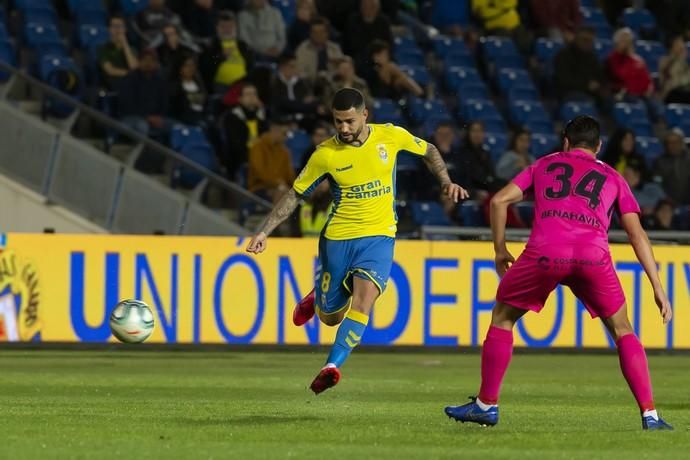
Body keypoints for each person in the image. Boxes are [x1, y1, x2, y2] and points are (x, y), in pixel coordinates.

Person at [443, 115, 673, 431]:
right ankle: (650, 416)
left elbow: (499, 201)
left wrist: (500, 248)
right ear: (599, 146)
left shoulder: (545, 164)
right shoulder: (613, 177)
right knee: (623, 330)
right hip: (593, 256)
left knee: (503, 319)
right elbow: (637, 235)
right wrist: (657, 286)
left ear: (565, 141)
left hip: (546, 251)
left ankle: (486, 405)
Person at [245, 88, 469, 394]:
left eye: (350, 121)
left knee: (364, 299)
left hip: (379, 237)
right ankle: (315, 297)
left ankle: (332, 365)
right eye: (339, 122)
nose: (344, 128)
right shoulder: (325, 154)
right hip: (338, 239)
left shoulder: (390, 136)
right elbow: (296, 194)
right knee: (330, 317)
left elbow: (429, 150)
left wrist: (446, 181)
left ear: (365, 115)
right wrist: (264, 231)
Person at [198, 10, 252, 93]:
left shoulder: (242, 45)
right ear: (217, 28)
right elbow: (206, 67)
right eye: (223, 26)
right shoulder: (211, 45)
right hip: (222, 86)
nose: (227, 29)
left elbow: (250, 65)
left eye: (230, 26)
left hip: (243, 85)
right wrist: (221, 56)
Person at [220, 83, 267, 177]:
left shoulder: (262, 116)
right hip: (241, 160)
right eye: (248, 94)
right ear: (240, 99)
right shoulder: (232, 117)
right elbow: (235, 145)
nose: (252, 97)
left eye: (254, 94)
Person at [553, 28, 607, 103]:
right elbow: (564, 80)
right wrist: (586, 85)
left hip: (590, 92)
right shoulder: (564, 55)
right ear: (577, 39)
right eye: (585, 40)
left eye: (590, 41)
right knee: (585, 100)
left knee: (609, 99)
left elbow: (600, 77)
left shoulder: (592, 57)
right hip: (569, 92)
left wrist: (599, 86)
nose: (588, 43)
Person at [247, 118, 295, 202]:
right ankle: (274, 215)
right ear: (274, 130)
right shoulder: (258, 147)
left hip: (281, 187)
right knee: (281, 193)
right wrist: (277, 183)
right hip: (260, 187)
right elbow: (260, 173)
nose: (286, 137)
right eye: (284, 133)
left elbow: (289, 175)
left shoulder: (285, 152)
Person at [295, 17, 343, 84]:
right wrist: (316, 77)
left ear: (327, 33)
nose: (318, 35)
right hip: (309, 85)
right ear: (310, 33)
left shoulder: (334, 48)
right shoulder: (303, 49)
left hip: (332, 85)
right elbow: (299, 72)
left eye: (321, 32)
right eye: (315, 32)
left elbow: (341, 70)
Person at [97, 15, 138, 90]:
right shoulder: (103, 48)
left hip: (131, 81)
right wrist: (129, 74)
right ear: (109, 29)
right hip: (114, 81)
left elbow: (134, 67)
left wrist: (125, 44)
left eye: (120, 26)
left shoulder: (131, 49)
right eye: (114, 26)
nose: (117, 29)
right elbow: (110, 70)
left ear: (125, 29)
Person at [653, 130, 690, 205]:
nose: (672, 145)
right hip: (667, 202)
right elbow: (657, 183)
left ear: (681, 143)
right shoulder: (660, 162)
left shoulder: (688, 159)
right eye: (669, 143)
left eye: (675, 142)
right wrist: (665, 198)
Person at [169, 56, 207, 125]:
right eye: (187, 66)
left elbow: (203, 105)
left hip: (200, 117)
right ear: (180, 68)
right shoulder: (175, 86)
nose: (190, 68)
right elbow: (175, 108)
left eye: (192, 65)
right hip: (183, 119)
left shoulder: (199, 84)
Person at [659, 36, 690, 104]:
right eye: (678, 43)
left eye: (682, 43)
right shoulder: (665, 61)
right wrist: (680, 59)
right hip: (669, 94)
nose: (681, 46)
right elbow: (674, 81)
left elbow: (687, 79)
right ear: (672, 46)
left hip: (683, 93)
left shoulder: (684, 63)